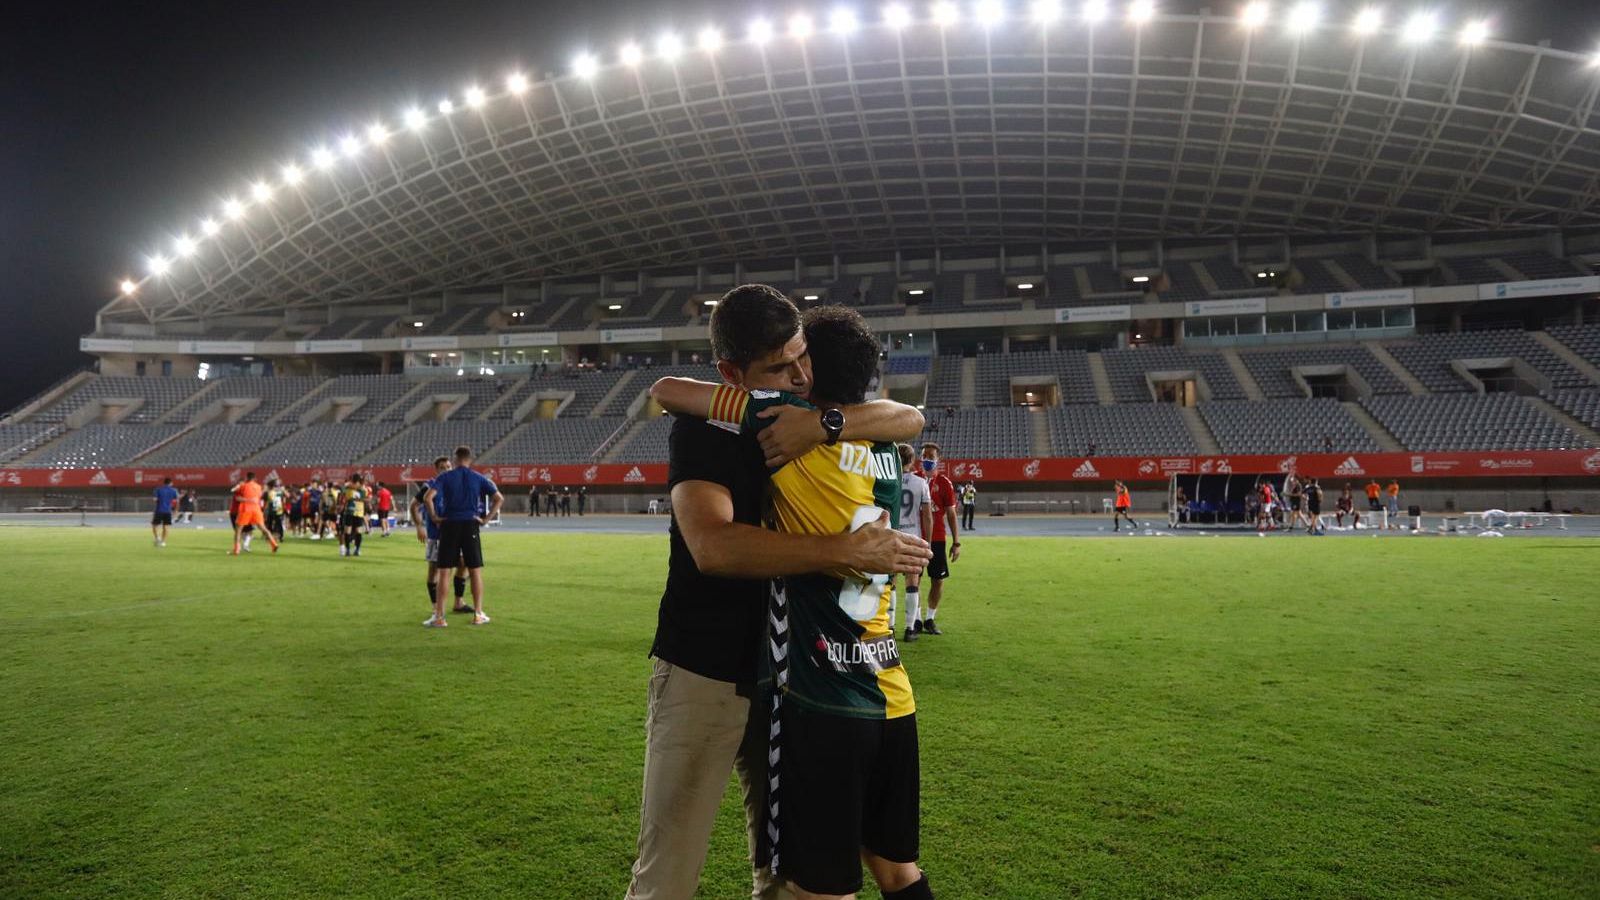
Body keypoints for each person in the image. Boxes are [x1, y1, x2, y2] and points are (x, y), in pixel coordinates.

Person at [625, 284, 928, 900]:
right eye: (778, 367)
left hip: (796, 684)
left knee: (785, 878)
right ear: (732, 374)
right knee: (669, 878)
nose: (797, 376)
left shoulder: (818, 422)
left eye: (803, 357)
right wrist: (845, 551)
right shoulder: (710, 427)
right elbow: (714, 547)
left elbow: (910, 416)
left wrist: (824, 422)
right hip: (707, 671)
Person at [422, 445, 504, 627]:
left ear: (456, 458)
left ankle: (440, 617)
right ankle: (478, 614)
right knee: (474, 570)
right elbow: (499, 498)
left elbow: (428, 498)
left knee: (444, 572)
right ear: (470, 459)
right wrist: (486, 519)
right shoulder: (479, 478)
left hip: (449, 524)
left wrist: (435, 517)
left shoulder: (445, 477)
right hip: (470, 524)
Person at [412, 456, 473, 614]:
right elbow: (414, 505)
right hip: (436, 535)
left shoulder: (455, 486)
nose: (446, 470)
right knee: (434, 570)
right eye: (442, 467)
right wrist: (419, 526)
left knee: (464, 563)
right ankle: (435, 606)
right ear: (436, 470)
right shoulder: (430, 486)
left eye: (448, 467)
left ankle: (458, 602)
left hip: (455, 533)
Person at [893, 443, 933, 644]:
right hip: (913, 536)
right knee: (912, 583)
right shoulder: (921, 483)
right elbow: (927, 516)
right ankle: (910, 628)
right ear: (912, 460)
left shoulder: (889, 480)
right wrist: (928, 542)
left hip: (892, 535)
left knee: (890, 583)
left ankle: (889, 627)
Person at [919, 442, 959, 635]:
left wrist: (956, 542)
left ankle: (930, 618)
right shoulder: (913, 479)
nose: (927, 459)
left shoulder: (944, 483)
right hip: (916, 537)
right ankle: (914, 620)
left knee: (937, 580)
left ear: (938, 459)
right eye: (924, 455)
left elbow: (951, 514)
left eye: (931, 456)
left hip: (937, 539)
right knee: (913, 579)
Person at [230, 472, 278, 556]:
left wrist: (246, 498)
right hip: (256, 510)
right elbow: (259, 497)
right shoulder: (259, 487)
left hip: (246, 509)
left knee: (238, 530)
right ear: (254, 478)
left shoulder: (243, 486)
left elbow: (237, 497)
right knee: (263, 528)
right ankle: (273, 544)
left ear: (247, 478)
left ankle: (237, 549)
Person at [339, 474, 371, 557]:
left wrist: (359, 499)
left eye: (354, 482)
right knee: (347, 531)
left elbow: (368, 498)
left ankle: (357, 549)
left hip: (359, 513)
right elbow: (342, 490)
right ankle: (348, 550)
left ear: (358, 482)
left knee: (358, 531)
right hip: (349, 512)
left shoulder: (363, 489)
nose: (352, 483)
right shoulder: (347, 488)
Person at [151, 477, 178, 547]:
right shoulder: (174, 490)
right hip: (168, 511)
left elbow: (154, 499)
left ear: (164, 482)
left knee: (154, 525)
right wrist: (175, 510)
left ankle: (157, 538)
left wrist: (160, 501)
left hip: (159, 510)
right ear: (170, 483)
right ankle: (163, 542)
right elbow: (175, 501)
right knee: (166, 527)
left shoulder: (158, 489)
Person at [264, 478, 288, 544]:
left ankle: (280, 537)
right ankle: (270, 537)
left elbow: (287, 495)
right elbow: (268, 501)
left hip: (278, 510)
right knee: (270, 524)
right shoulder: (270, 492)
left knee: (278, 524)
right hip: (272, 510)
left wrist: (283, 491)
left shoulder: (279, 491)